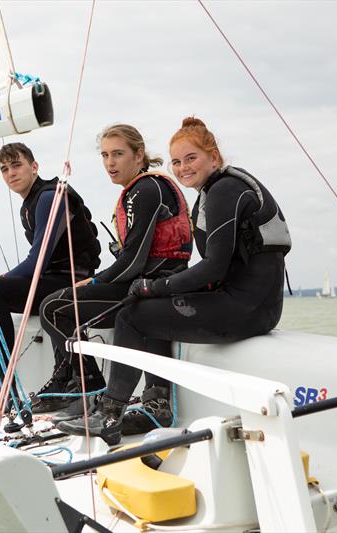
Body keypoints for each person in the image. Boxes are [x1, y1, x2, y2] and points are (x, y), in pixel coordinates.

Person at [58, 117, 292, 444]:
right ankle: (156, 406)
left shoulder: (224, 190)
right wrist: (158, 291)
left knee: (133, 316)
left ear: (215, 156)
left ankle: (109, 413)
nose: (183, 168)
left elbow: (212, 269)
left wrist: (153, 287)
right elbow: (216, 270)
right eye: (177, 161)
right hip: (251, 305)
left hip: (247, 311)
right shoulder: (215, 192)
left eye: (191, 158)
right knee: (151, 308)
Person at [33, 124, 192, 429]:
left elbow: (133, 260)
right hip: (153, 285)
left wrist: (94, 280)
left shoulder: (145, 189)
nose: (110, 163)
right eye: (105, 155)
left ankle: (86, 387)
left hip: (148, 285)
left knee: (53, 307)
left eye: (118, 154)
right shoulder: (147, 188)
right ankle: (150, 400)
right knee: (67, 305)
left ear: (139, 154)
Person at [0, 143, 101, 408]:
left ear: (34, 167)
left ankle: (7, 386)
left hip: (70, 281)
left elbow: (36, 262)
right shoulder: (30, 203)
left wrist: (2, 280)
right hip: (46, 279)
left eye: (16, 165)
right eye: (4, 169)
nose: (10, 174)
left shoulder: (51, 197)